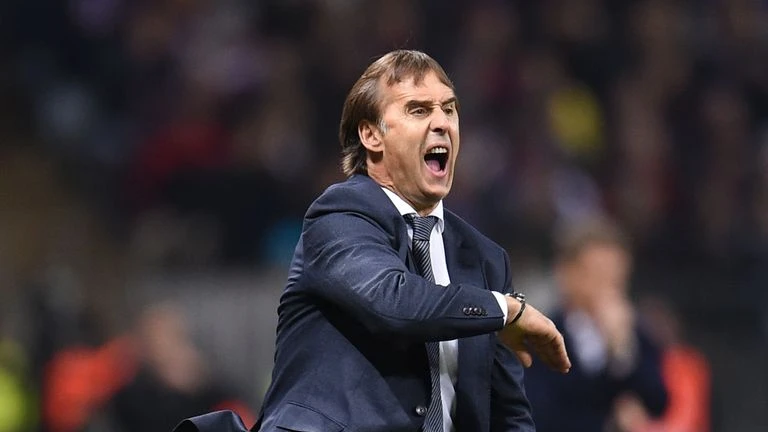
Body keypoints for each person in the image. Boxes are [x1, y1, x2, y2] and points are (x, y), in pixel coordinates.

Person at [174, 49, 570, 432]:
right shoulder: (339, 216)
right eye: (419, 110)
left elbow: (508, 413)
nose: (442, 123)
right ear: (371, 135)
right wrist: (504, 309)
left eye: (449, 109)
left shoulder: (485, 258)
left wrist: (501, 310)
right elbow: (395, 302)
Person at [523, 217, 668, 432]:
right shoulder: (539, 337)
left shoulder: (638, 335)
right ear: (566, 274)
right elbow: (539, 412)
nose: (608, 285)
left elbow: (658, 402)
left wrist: (621, 350)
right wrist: (607, 421)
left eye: (616, 276)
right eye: (599, 273)